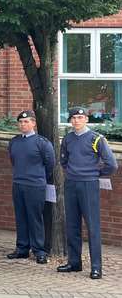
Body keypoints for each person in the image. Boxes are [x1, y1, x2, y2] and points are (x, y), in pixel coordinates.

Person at [57, 107, 118, 279]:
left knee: (92, 227)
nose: (76, 120)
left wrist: (95, 174)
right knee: (72, 225)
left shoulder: (96, 138)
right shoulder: (68, 139)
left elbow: (112, 164)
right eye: (74, 117)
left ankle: (96, 267)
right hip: (71, 184)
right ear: (70, 120)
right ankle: (74, 263)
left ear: (86, 119)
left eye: (80, 117)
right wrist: (71, 173)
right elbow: (64, 161)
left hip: (89, 185)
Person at [7, 110, 55, 264]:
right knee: (20, 217)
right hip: (18, 184)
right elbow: (14, 161)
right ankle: (22, 248)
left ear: (33, 123)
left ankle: (39, 250)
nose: (23, 124)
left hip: (35, 185)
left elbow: (50, 165)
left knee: (35, 218)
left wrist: (38, 177)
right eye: (21, 122)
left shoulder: (42, 143)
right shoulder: (14, 142)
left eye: (26, 122)